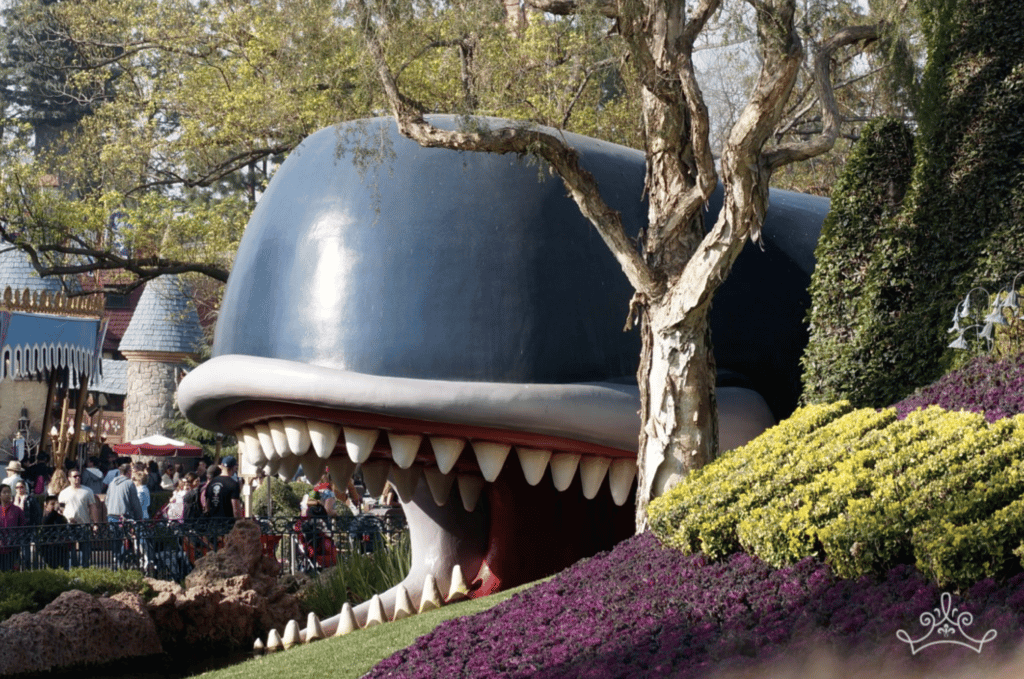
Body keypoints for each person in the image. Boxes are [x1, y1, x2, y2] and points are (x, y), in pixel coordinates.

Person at [58, 469, 100, 567]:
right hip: (69, 524)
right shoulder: (64, 493)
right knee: (71, 548)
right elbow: (60, 510)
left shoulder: (87, 491)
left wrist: (96, 524)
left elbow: (93, 508)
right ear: (69, 478)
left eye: (79, 476)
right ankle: (74, 567)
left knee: (85, 548)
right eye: (75, 476)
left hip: (84, 523)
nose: (77, 478)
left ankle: (85, 567)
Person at [105, 463, 143, 569]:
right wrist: (139, 517)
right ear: (128, 472)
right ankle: (125, 562)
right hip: (124, 516)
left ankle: (115, 559)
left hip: (111, 515)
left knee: (115, 539)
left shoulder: (112, 483)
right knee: (127, 540)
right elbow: (135, 503)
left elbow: (107, 500)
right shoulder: (129, 483)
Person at [0, 485, 26, 570]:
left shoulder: (17, 510)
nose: (7, 494)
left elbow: (23, 526)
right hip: (1, 547)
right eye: (4, 492)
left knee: (12, 571)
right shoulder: (1, 510)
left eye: (9, 492)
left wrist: (16, 539)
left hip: (13, 547)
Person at [39, 495, 69, 569]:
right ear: (46, 506)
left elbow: (63, 525)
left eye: (56, 504)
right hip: (48, 548)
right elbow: (45, 523)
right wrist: (54, 511)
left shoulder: (61, 518)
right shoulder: (44, 517)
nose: (54, 506)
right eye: (52, 504)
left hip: (60, 548)